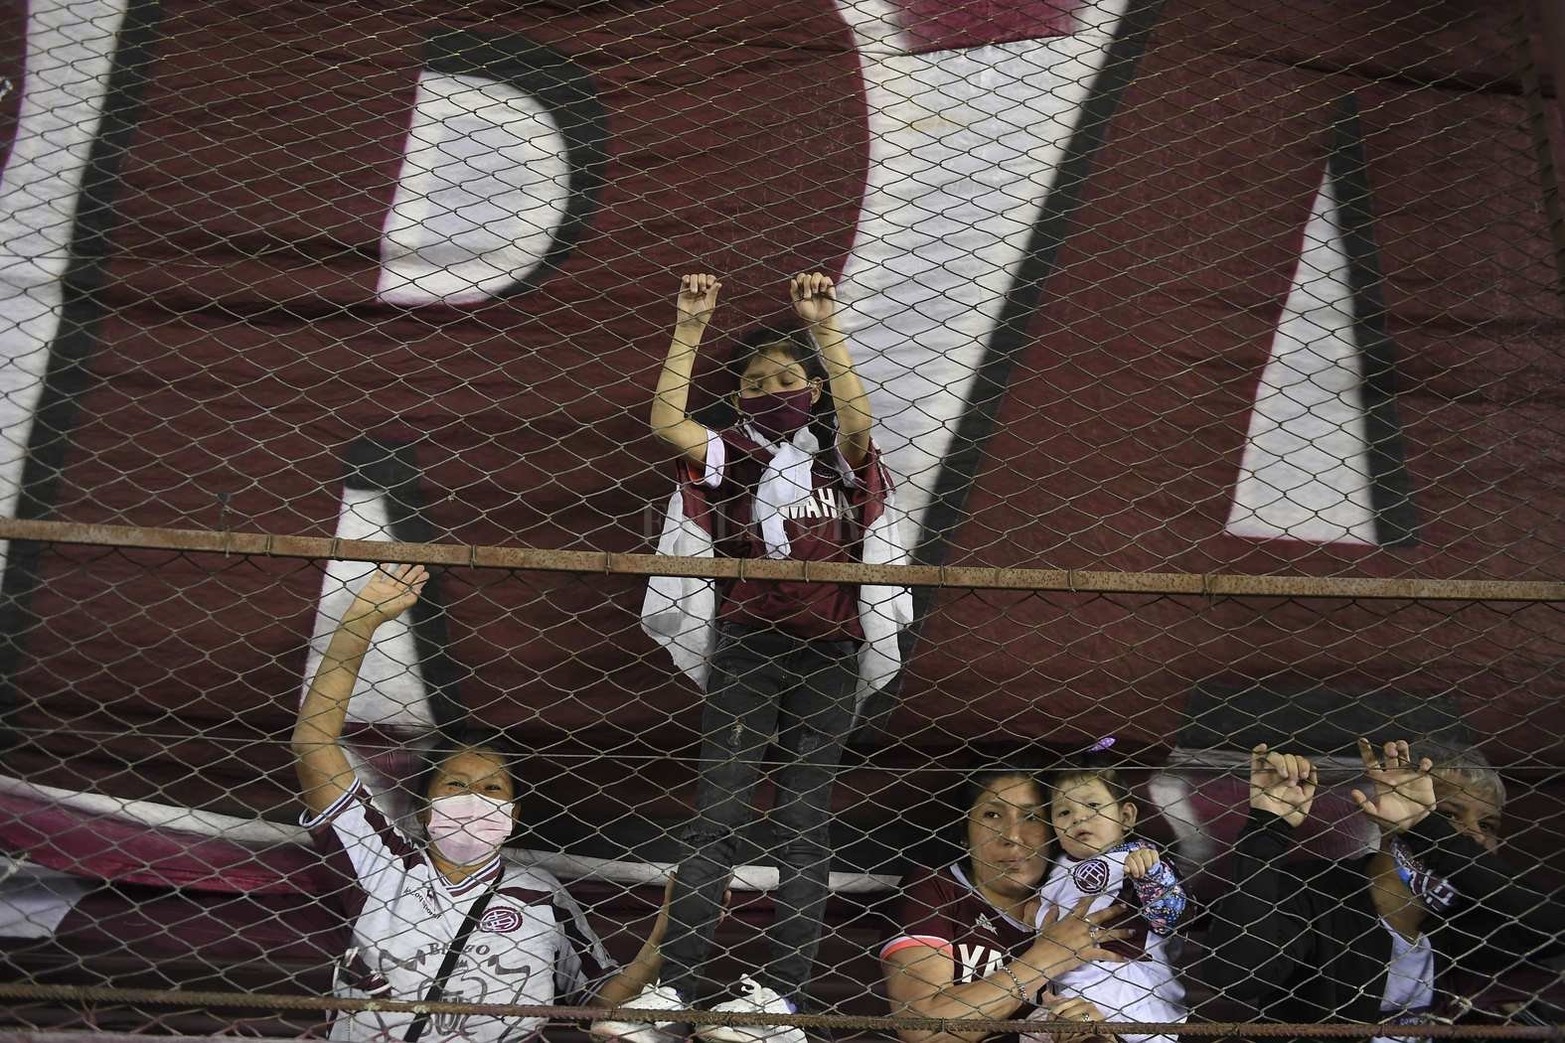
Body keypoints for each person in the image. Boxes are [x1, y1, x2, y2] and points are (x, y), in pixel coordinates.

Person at [597, 272, 912, 1043]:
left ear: (811, 388)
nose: (772, 389)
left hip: (829, 654)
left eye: (786, 378)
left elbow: (859, 422)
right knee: (718, 819)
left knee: (804, 823)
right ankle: (673, 991)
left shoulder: (838, 459)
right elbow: (665, 419)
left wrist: (825, 330)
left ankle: (777, 998)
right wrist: (689, 326)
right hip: (748, 647)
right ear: (737, 398)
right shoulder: (730, 453)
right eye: (755, 381)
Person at [293, 563, 670, 1043]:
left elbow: (597, 1006)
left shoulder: (542, 893)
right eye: (455, 786)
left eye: (493, 789)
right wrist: (360, 621)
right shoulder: (384, 861)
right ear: (423, 806)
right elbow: (313, 744)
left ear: (513, 815)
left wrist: (663, 939)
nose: (474, 797)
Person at [1200, 738, 1565, 1042]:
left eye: (1488, 825)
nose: (1474, 835)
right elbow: (1237, 976)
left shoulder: (1459, 922)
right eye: (1450, 815)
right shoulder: (1317, 891)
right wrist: (1266, 832)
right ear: (1393, 814)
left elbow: (1553, 929)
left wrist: (1427, 828)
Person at [880, 766, 1137, 1043]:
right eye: (992, 815)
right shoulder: (938, 889)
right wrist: (1047, 958)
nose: (1013, 836)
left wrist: (1094, 1029)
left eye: (1031, 817)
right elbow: (923, 1028)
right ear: (965, 833)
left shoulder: (1085, 904)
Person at [1021, 752, 1188, 1043]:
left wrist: (1151, 877)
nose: (1079, 817)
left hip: (1128, 995)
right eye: (1064, 812)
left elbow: (1169, 916)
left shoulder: (1137, 858)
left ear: (1125, 817)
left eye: (1093, 805)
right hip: (1066, 997)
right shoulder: (1056, 870)